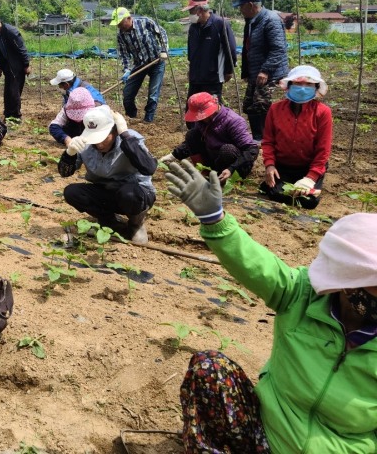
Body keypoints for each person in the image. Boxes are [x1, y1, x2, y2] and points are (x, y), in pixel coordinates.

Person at [165, 159, 377, 453]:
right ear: (345, 278)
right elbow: (257, 265)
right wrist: (214, 218)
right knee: (209, 369)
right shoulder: (301, 294)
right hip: (268, 432)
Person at [58, 105, 157, 245]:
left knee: (129, 195)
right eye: (95, 138)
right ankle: (109, 221)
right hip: (106, 192)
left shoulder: (130, 139)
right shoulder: (85, 143)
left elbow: (149, 168)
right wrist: (69, 153)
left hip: (136, 193)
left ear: (115, 131)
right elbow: (64, 173)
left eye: (104, 137)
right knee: (72, 192)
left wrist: (126, 136)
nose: (99, 143)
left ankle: (136, 224)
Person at [259, 65, 332, 209]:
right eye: (298, 83)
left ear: (316, 87)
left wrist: (311, 177)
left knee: (308, 202)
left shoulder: (323, 112)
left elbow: (323, 150)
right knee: (276, 194)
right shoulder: (275, 109)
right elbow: (268, 141)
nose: (303, 88)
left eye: (309, 84)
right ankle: (273, 182)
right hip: (283, 165)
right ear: (290, 85)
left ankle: (310, 183)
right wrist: (270, 164)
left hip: (308, 166)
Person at [159, 92, 259, 183]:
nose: (199, 118)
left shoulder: (233, 121)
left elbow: (252, 150)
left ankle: (224, 178)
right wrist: (173, 155)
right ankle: (204, 172)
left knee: (227, 150)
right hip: (214, 158)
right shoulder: (203, 121)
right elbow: (192, 141)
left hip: (234, 164)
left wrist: (231, 169)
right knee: (192, 134)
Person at [233, 0, 289, 142]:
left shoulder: (271, 20)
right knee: (250, 105)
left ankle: (267, 139)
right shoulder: (251, 21)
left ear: (251, 5)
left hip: (270, 73)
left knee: (261, 105)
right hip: (255, 71)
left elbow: (278, 48)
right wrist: (246, 72)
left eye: (241, 6)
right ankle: (258, 137)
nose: (240, 10)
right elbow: (247, 47)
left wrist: (266, 71)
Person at [110, 7, 169, 123]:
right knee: (127, 94)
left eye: (121, 23)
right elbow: (124, 54)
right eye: (117, 24)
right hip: (139, 65)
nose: (119, 26)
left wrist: (164, 50)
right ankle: (131, 117)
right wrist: (127, 70)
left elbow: (162, 33)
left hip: (156, 61)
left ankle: (148, 119)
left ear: (129, 18)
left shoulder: (146, 22)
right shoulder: (121, 35)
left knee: (153, 93)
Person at [184, 0, 237, 102]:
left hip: (212, 78)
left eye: (191, 11)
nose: (190, 15)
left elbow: (230, 49)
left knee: (211, 111)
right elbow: (191, 50)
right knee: (192, 108)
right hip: (195, 78)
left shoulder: (220, 24)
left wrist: (229, 70)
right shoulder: (193, 27)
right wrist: (191, 68)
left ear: (199, 11)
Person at [0, 10, 30, 121]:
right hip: (8, 67)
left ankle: (16, 117)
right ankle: (8, 115)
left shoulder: (10, 31)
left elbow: (22, 49)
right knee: (8, 92)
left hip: (17, 66)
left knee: (14, 92)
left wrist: (26, 65)